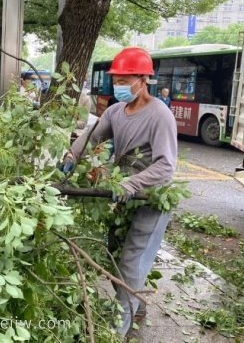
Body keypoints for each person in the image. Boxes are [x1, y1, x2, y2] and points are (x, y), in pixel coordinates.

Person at [59, 47, 177, 338]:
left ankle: (115, 333)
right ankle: (134, 303)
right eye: (117, 79)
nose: (120, 85)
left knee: (131, 262)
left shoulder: (160, 115)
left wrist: (132, 184)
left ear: (143, 79)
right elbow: (89, 138)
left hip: (150, 199)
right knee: (112, 254)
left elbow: (166, 166)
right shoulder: (115, 112)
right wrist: (69, 159)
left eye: (126, 80)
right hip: (121, 198)